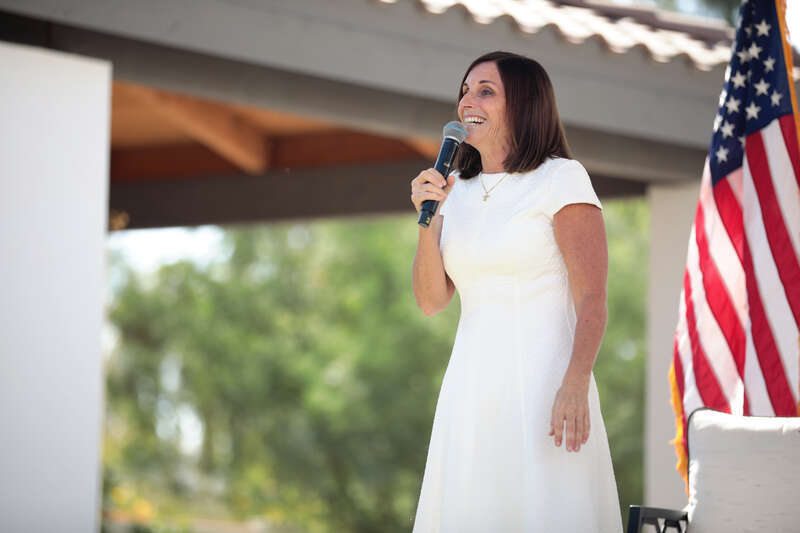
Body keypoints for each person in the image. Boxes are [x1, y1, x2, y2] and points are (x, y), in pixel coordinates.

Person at [409, 51, 623, 532]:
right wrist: (428, 221)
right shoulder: (454, 189)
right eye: (465, 90)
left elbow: (593, 297)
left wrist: (575, 383)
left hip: (546, 385)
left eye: (486, 90)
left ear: (524, 105)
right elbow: (430, 300)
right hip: (471, 388)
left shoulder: (561, 179)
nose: (468, 101)